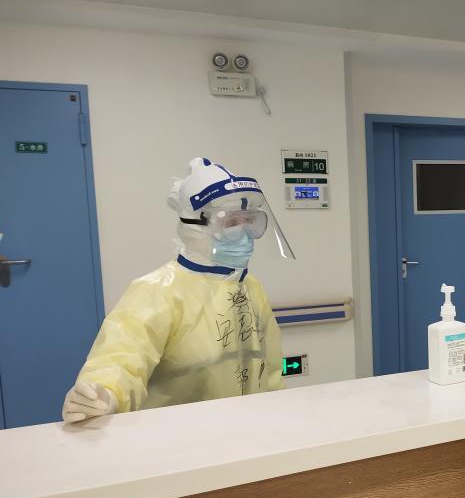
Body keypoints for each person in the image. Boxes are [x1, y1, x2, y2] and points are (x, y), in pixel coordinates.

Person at [62, 157, 293, 423]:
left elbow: (270, 367)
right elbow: (121, 358)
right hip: (179, 437)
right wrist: (105, 392)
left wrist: (277, 413)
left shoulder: (250, 287)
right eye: (230, 223)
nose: (244, 234)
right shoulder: (157, 291)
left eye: (248, 221)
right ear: (194, 225)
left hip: (251, 429)